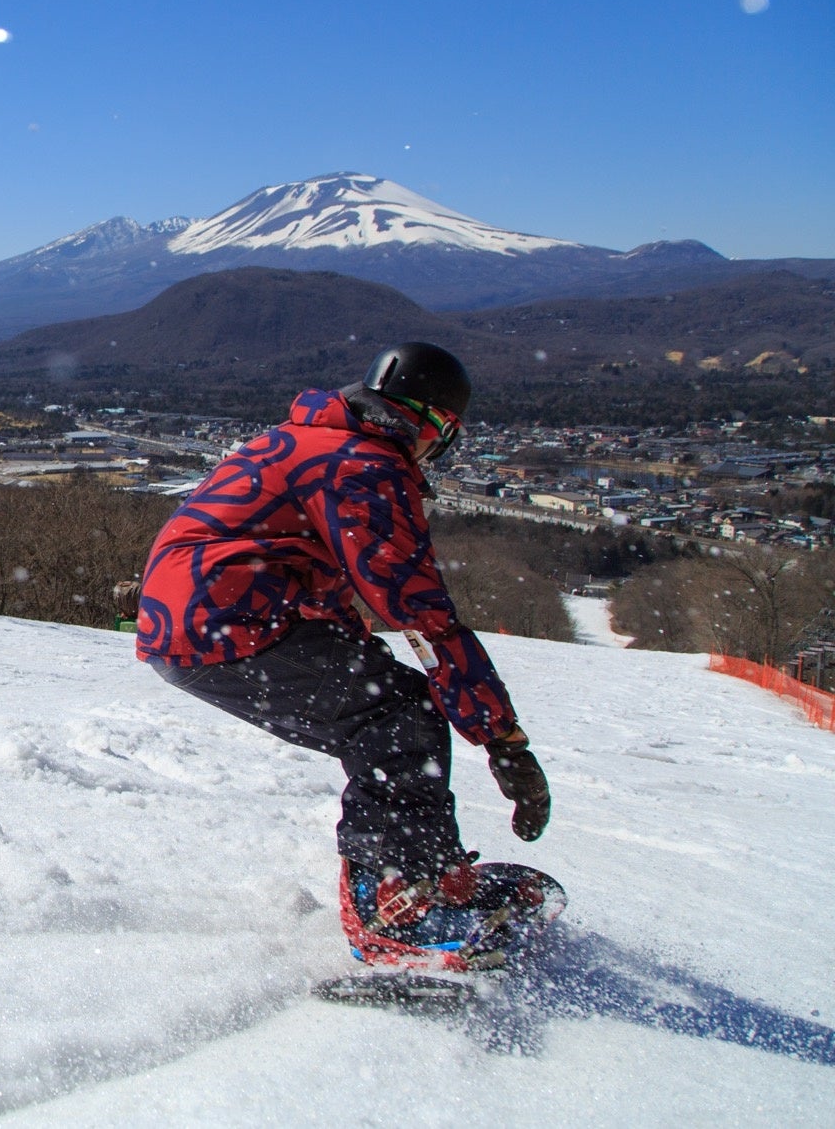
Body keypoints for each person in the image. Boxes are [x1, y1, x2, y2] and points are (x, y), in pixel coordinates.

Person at [133, 342, 550, 963]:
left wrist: (358, 647)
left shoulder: (314, 438)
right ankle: (394, 902)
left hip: (201, 621)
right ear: (437, 426)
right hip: (226, 623)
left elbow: (313, 579)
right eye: (442, 439)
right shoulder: (364, 465)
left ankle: (420, 872)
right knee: (397, 717)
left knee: (386, 710)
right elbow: (422, 613)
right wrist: (504, 741)